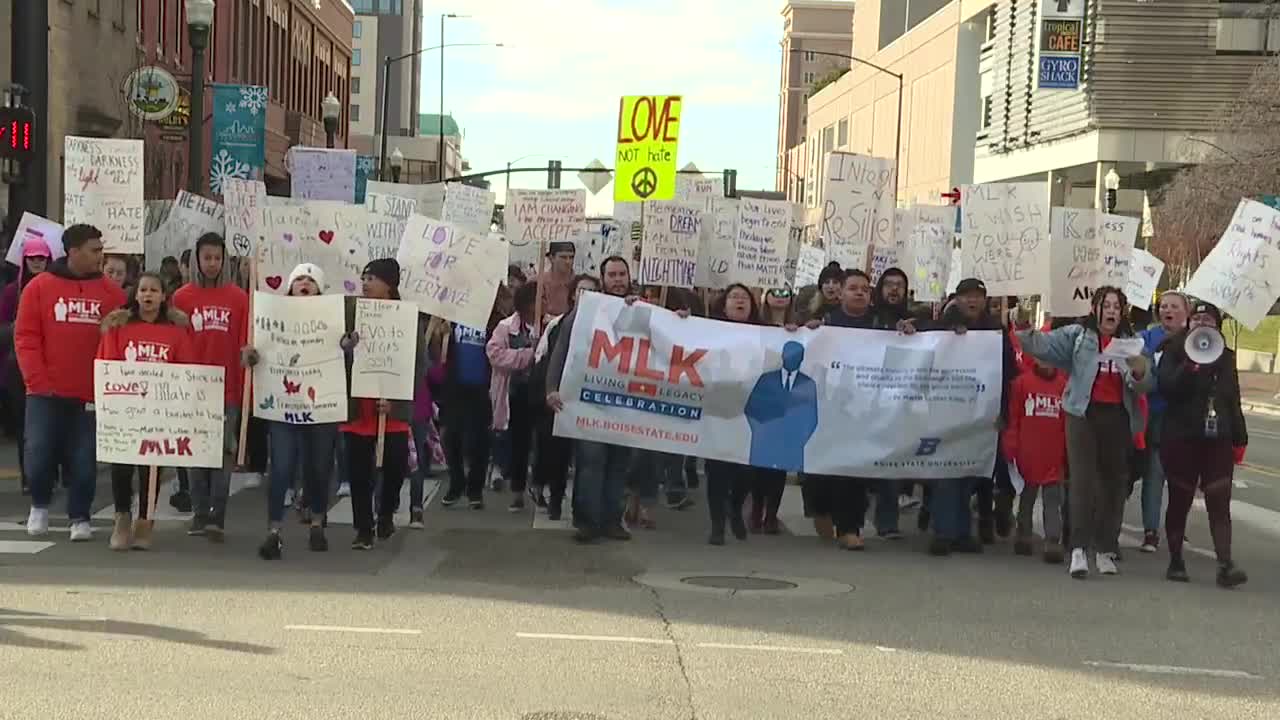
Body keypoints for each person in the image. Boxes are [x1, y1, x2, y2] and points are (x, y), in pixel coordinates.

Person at [1018, 286, 1152, 579]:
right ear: (1095, 309)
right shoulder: (1078, 337)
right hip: (1082, 415)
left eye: (1117, 306)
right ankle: (1078, 549)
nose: (1112, 311)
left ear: (1123, 312)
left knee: (1114, 485)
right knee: (1082, 482)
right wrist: (1023, 326)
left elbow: (1142, 385)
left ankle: (1104, 548)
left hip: (1117, 417)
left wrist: (1140, 372)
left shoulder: (1132, 342)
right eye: (1106, 305)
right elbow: (1043, 346)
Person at [17, 224, 127, 539]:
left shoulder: (112, 293)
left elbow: (123, 338)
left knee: (83, 460)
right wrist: (37, 381)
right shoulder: (38, 288)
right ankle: (39, 506)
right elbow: (26, 337)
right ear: (73, 252)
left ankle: (80, 517)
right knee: (38, 454)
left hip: (89, 395)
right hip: (44, 393)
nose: (100, 256)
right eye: (94, 250)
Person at [242, 263, 347, 559]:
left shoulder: (333, 319)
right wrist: (250, 355)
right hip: (283, 407)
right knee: (282, 468)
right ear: (289, 286)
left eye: (310, 279)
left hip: (321, 407)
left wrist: (347, 344)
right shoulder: (272, 316)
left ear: (319, 288)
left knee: (319, 467)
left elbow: (345, 352)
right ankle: (273, 531)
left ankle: (316, 522)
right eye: (299, 278)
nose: (304, 283)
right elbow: (259, 354)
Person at [96, 272, 193, 550]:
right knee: (122, 465)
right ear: (135, 295)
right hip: (126, 410)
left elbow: (186, 370)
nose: (148, 295)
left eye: (154, 290)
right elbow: (107, 365)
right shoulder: (118, 328)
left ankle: (145, 521)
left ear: (164, 296)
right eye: (143, 290)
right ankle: (122, 518)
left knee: (151, 468)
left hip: (160, 411)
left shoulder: (176, 332)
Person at [1155, 301, 1248, 588]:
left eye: (1208, 319)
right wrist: (1190, 365)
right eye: (1197, 318)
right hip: (1182, 439)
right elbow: (1166, 387)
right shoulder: (1174, 350)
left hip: (1216, 439)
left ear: (1217, 325)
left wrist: (1239, 437)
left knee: (1219, 503)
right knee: (1180, 500)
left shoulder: (1226, 357)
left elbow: (1232, 399)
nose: (1202, 323)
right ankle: (1175, 561)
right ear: (1188, 323)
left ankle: (1225, 564)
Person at [545, 256, 637, 543]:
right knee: (592, 462)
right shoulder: (586, 310)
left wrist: (679, 316)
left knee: (619, 464)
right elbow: (561, 349)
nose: (618, 279)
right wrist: (551, 387)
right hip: (590, 399)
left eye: (623, 274)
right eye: (613, 275)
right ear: (603, 279)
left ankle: (612, 520)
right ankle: (587, 521)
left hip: (625, 403)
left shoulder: (642, 309)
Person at [929, 279, 1017, 556]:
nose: (972, 301)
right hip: (946, 408)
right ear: (957, 299)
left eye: (977, 296)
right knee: (946, 471)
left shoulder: (996, 331)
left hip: (983, 412)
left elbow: (1008, 373)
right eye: (966, 296)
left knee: (969, 473)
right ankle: (943, 532)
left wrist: (1004, 411)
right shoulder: (942, 326)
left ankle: (962, 532)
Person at [171, 232, 249, 539]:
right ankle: (199, 513)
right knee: (195, 453)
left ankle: (219, 514)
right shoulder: (181, 298)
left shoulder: (239, 298)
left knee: (222, 454)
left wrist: (245, 384)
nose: (212, 264)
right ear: (197, 260)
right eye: (207, 258)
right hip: (192, 387)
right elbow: (175, 341)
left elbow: (245, 340)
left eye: (218, 258)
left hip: (227, 387)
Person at [341, 259, 421, 550]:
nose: (365, 283)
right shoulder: (351, 311)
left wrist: (398, 402)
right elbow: (337, 348)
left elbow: (417, 365)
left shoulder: (407, 317)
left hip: (392, 411)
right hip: (359, 410)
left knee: (395, 468)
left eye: (372, 278)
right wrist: (347, 344)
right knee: (359, 474)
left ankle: (386, 513)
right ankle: (363, 529)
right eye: (363, 277)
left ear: (389, 284)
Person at [530, 273, 599, 521]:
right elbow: (545, 358)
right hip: (561, 398)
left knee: (587, 458)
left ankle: (583, 507)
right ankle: (555, 499)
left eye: (591, 291)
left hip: (591, 400)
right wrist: (550, 389)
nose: (586, 296)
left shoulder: (605, 325)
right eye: (581, 290)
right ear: (573, 295)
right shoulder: (558, 324)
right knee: (557, 453)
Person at [1134, 291, 1190, 553]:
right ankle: (1151, 530)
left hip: (1183, 418)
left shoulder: (1196, 339)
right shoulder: (1147, 338)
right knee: (1153, 474)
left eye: (1174, 306)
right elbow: (1140, 369)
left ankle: (1177, 527)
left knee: (1182, 477)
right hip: (1154, 415)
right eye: (1164, 306)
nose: (1168, 310)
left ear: (1186, 312)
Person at [1003, 356, 1068, 564]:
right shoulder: (1022, 383)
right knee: (1027, 497)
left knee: (1052, 500)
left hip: (1054, 452)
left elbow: (1068, 421)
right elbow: (1013, 418)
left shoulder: (1064, 385)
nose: (1047, 363)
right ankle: (1023, 535)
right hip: (1028, 452)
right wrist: (1011, 445)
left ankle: (1052, 540)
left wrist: (1068, 451)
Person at [0, 237, 52, 494]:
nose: (37, 263)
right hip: (18, 368)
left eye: (42, 258)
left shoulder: (56, 288)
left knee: (53, 424)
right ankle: (29, 476)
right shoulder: (12, 291)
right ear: (25, 260)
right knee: (25, 426)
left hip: (53, 364)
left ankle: (49, 472)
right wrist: (20, 326)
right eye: (33, 258)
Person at [487, 281, 539, 512]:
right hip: (515, 395)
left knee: (543, 444)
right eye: (540, 299)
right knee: (519, 444)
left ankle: (540, 486)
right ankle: (517, 490)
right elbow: (495, 354)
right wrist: (527, 355)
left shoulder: (549, 325)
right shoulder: (505, 327)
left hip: (542, 394)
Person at [440, 310, 496, 511]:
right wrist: (443, 335)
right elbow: (439, 356)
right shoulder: (450, 319)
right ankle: (456, 483)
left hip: (482, 389)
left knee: (479, 441)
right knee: (451, 437)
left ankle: (475, 490)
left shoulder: (493, 320)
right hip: (455, 388)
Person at [534, 241, 576, 318]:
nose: (568, 261)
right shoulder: (538, 282)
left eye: (571, 257)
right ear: (551, 258)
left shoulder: (579, 283)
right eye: (563, 257)